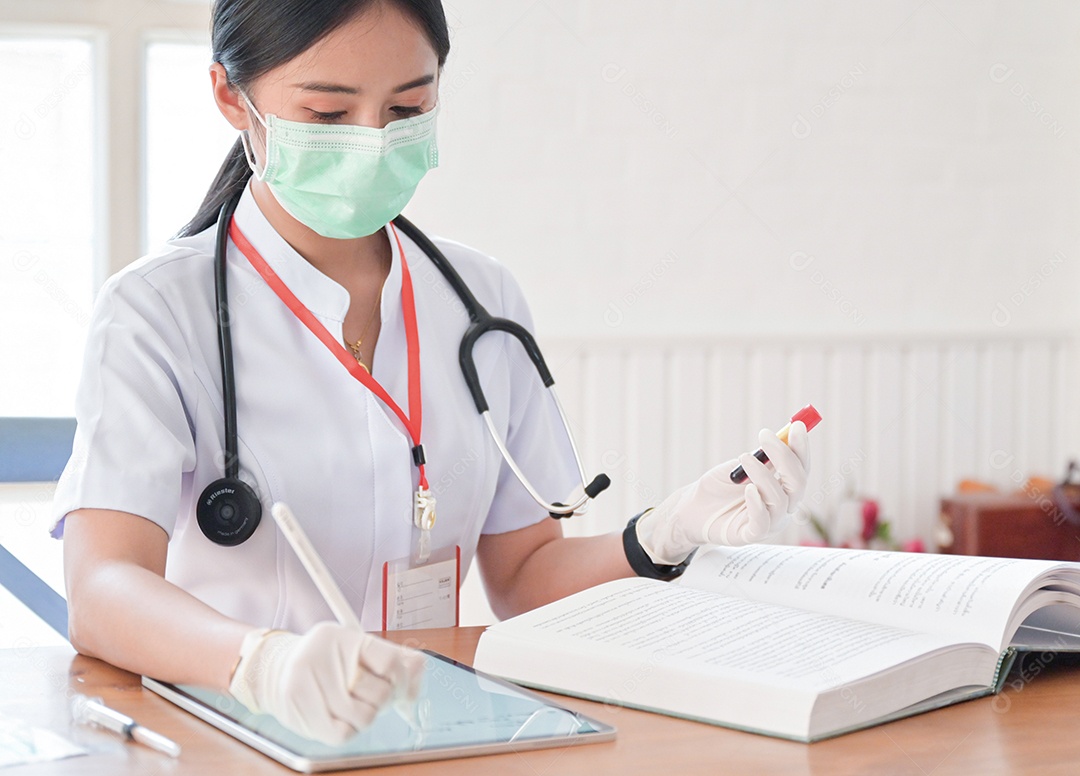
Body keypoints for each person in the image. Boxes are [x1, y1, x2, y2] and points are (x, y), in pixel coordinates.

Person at [52, 0, 811, 746]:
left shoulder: (482, 301)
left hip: (434, 737)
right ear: (231, 95)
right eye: (327, 115)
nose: (374, 143)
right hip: (231, 736)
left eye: (407, 108)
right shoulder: (154, 312)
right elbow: (102, 589)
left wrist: (664, 533)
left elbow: (525, 575)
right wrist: (259, 660)